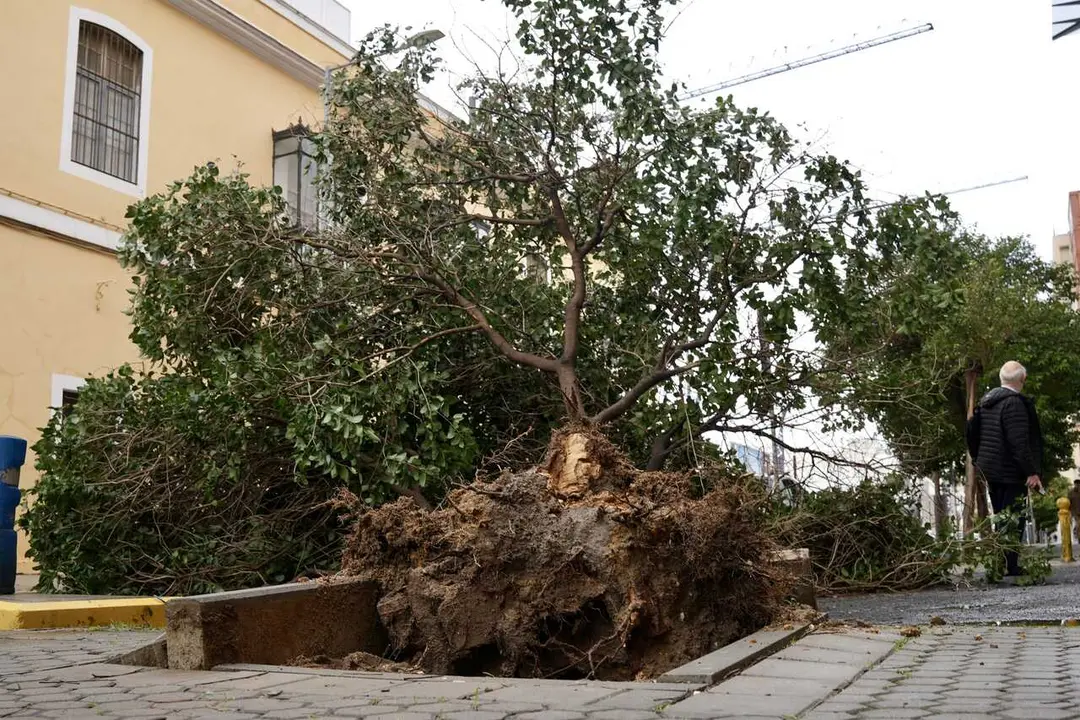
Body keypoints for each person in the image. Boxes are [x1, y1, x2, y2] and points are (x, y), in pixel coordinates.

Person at [971, 361, 1044, 577]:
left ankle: (1001, 563)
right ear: (1022, 380)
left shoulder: (987, 402)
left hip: (990, 469)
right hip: (1010, 472)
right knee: (1013, 519)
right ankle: (1011, 566)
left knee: (1001, 517)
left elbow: (973, 435)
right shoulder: (1014, 404)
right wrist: (1031, 471)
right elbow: (1019, 442)